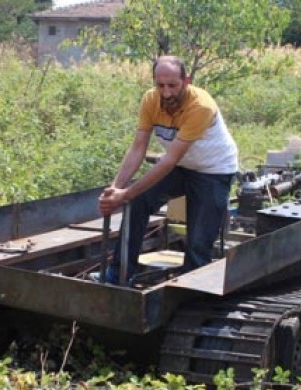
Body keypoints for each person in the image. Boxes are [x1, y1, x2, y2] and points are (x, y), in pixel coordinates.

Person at [98, 55, 238, 284]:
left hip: (213, 171)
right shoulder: (150, 100)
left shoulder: (200, 106)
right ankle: (120, 272)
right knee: (137, 202)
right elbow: (138, 148)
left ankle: (191, 290)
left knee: (198, 242)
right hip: (182, 166)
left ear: (187, 80)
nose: (166, 92)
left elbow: (169, 160)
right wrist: (116, 189)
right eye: (160, 85)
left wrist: (126, 193)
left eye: (173, 85)